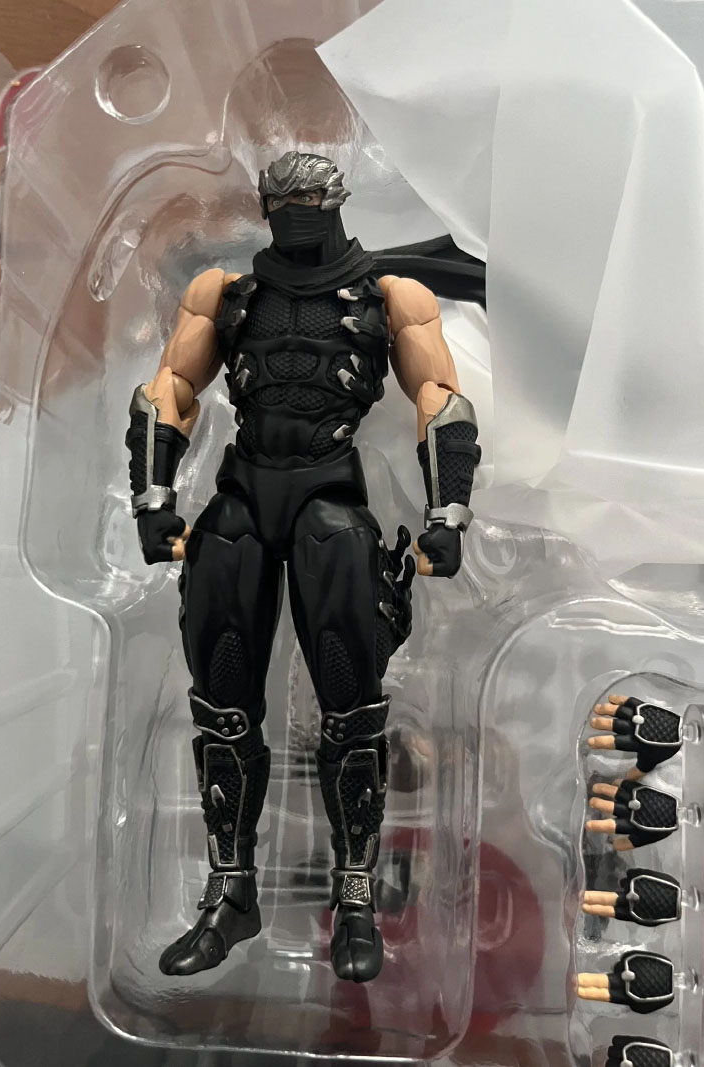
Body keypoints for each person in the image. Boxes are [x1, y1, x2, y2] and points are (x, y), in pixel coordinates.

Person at [126, 151, 481, 983]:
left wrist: (448, 515)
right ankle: (230, 893)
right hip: (243, 496)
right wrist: (153, 499)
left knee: (351, 710)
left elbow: (440, 399)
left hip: (329, 496)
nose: (296, 210)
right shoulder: (225, 292)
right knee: (223, 706)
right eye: (282, 198)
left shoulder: (391, 295)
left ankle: (355, 898)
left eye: (310, 197)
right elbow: (169, 387)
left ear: (337, 199)